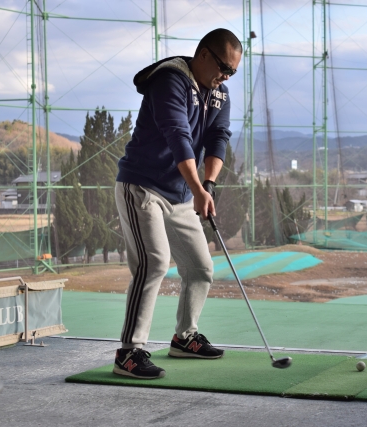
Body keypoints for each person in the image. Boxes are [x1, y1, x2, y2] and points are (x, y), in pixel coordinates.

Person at [112, 29, 242, 379]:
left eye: (232, 72)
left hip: (181, 193)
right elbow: (178, 136)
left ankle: (184, 338)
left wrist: (208, 186)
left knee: (200, 267)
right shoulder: (169, 79)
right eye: (223, 68)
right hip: (142, 187)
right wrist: (198, 189)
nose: (225, 77)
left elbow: (218, 138)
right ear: (203, 54)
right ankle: (129, 352)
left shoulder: (219, 94)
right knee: (153, 263)